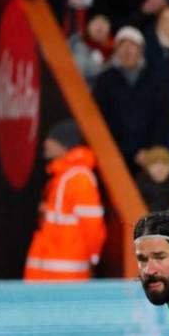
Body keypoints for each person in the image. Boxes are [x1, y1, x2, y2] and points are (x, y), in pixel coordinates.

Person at [24, 120, 107, 281]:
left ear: (64, 145)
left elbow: (92, 226)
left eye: (52, 139)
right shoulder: (64, 176)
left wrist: (93, 257)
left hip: (65, 275)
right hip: (52, 271)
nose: (46, 143)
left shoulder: (79, 178)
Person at [93, 26, 167, 170]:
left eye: (133, 46)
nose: (128, 51)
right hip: (113, 154)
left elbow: (162, 117)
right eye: (123, 46)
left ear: (141, 50)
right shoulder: (105, 80)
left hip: (147, 155)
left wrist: (150, 149)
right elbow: (99, 116)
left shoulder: (155, 79)